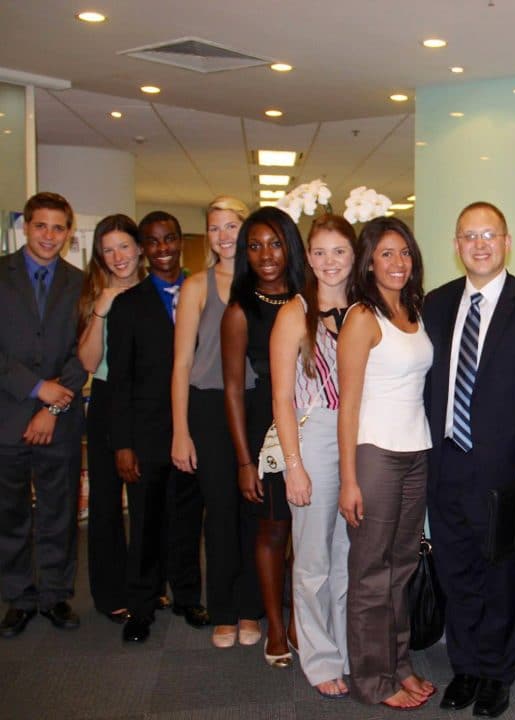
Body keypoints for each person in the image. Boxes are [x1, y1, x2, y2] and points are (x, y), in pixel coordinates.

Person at [423, 202, 515, 718]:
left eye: (489, 235)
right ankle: (467, 668)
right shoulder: (435, 303)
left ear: (507, 241)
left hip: (506, 468)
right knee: (456, 571)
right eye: (469, 236)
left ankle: (499, 674)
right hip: (445, 460)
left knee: (506, 576)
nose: (479, 245)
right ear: (456, 245)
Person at [337, 217, 436, 709]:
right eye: (387, 254)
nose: (398, 263)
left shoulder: (412, 310)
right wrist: (348, 479)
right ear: (369, 262)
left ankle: (398, 667)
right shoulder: (361, 317)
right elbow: (348, 404)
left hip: (417, 452)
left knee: (401, 569)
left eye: (405, 253)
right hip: (375, 455)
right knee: (370, 573)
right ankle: (371, 680)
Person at [108, 211, 209, 643]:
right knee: (146, 523)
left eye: (170, 239)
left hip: (195, 428)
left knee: (187, 520)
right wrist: (122, 444)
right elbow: (120, 380)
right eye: (153, 241)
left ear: (180, 242)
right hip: (146, 432)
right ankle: (142, 606)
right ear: (143, 249)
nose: (163, 248)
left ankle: (186, 596)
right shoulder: (128, 304)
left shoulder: (202, 291)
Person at [171, 196, 263, 648]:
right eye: (214, 228)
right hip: (208, 410)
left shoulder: (265, 280)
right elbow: (182, 365)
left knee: (257, 513)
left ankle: (252, 609)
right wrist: (180, 431)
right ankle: (224, 610)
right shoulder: (196, 286)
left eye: (232, 226)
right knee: (220, 513)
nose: (224, 236)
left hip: (257, 408)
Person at [270, 215, 355, 697]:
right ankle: (319, 658)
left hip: (358, 439)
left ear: (353, 254)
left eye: (338, 251)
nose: (328, 262)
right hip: (314, 435)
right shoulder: (294, 313)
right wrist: (293, 465)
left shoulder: (366, 310)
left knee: (348, 556)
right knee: (313, 559)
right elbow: (281, 397)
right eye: (319, 253)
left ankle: (343, 648)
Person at [222, 207, 305, 668]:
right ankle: (275, 624)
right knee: (273, 530)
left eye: (274, 243)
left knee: (308, 533)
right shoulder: (240, 310)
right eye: (254, 246)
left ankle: (299, 620)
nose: (265, 254)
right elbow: (232, 390)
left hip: (311, 424)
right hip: (263, 431)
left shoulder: (309, 297)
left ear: (290, 246)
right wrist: (243, 460)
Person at [0, 192, 85, 638]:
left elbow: (83, 354)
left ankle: (54, 596)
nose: (49, 236)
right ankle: (19, 597)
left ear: (68, 233)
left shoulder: (80, 282)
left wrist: (52, 405)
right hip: (6, 417)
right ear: (25, 227)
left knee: (58, 512)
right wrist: (35, 388)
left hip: (61, 420)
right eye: (41, 226)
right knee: (9, 515)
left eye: (58, 228)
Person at [77, 213, 145, 624]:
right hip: (105, 403)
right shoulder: (96, 296)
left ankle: (146, 586)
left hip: (148, 405)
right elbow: (88, 362)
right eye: (108, 250)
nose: (118, 257)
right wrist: (102, 310)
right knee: (105, 503)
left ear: (139, 248)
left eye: (124, 246)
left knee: (147, 503)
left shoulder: (158, 294)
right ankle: (110, 592)